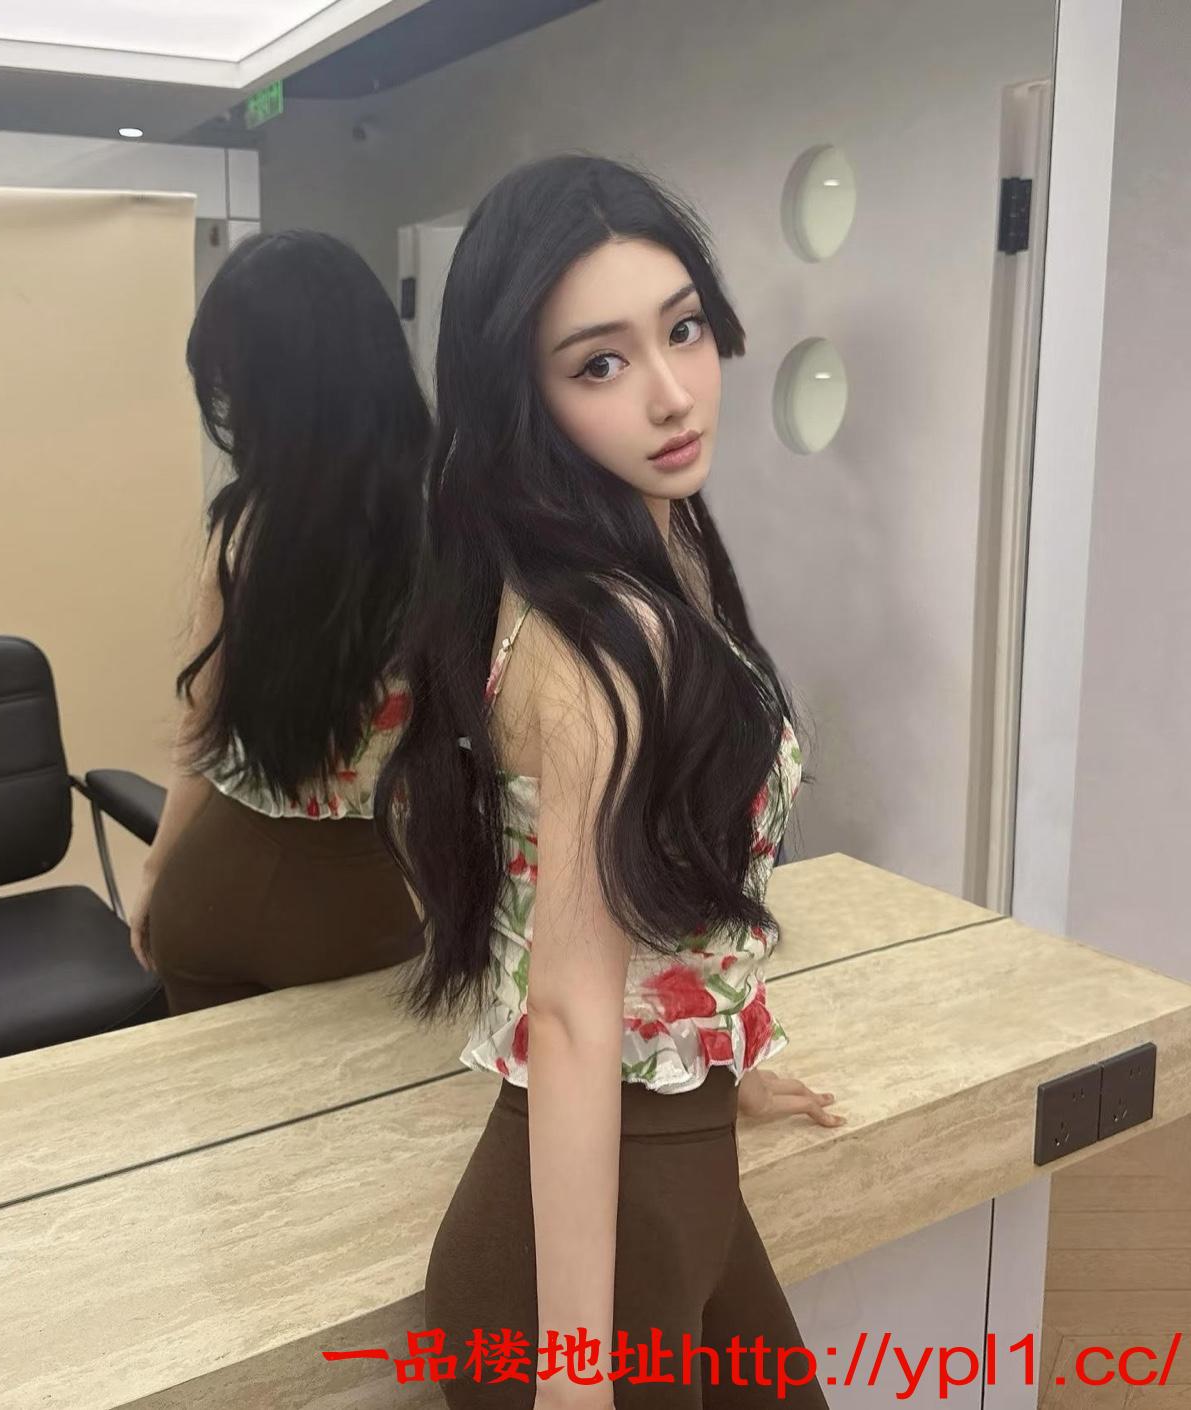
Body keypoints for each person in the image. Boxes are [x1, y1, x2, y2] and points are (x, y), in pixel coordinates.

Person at [379, 157, 842, 1408]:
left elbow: (652, 900)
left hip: (673, 1179)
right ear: (522, 398)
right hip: (586, 1258)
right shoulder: (596, 637)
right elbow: (574, 1015)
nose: (672, 392)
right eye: (599, 363)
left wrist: (717, 1067)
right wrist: (575, 1382)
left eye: (682, 329)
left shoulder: (656, 545)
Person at [134, 230, 432, 1014]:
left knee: (212, 1095)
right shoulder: (450, 533)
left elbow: (200, 725)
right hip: (361, 905)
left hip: (210, 888)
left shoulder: (243, 524)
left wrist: (156, 871)